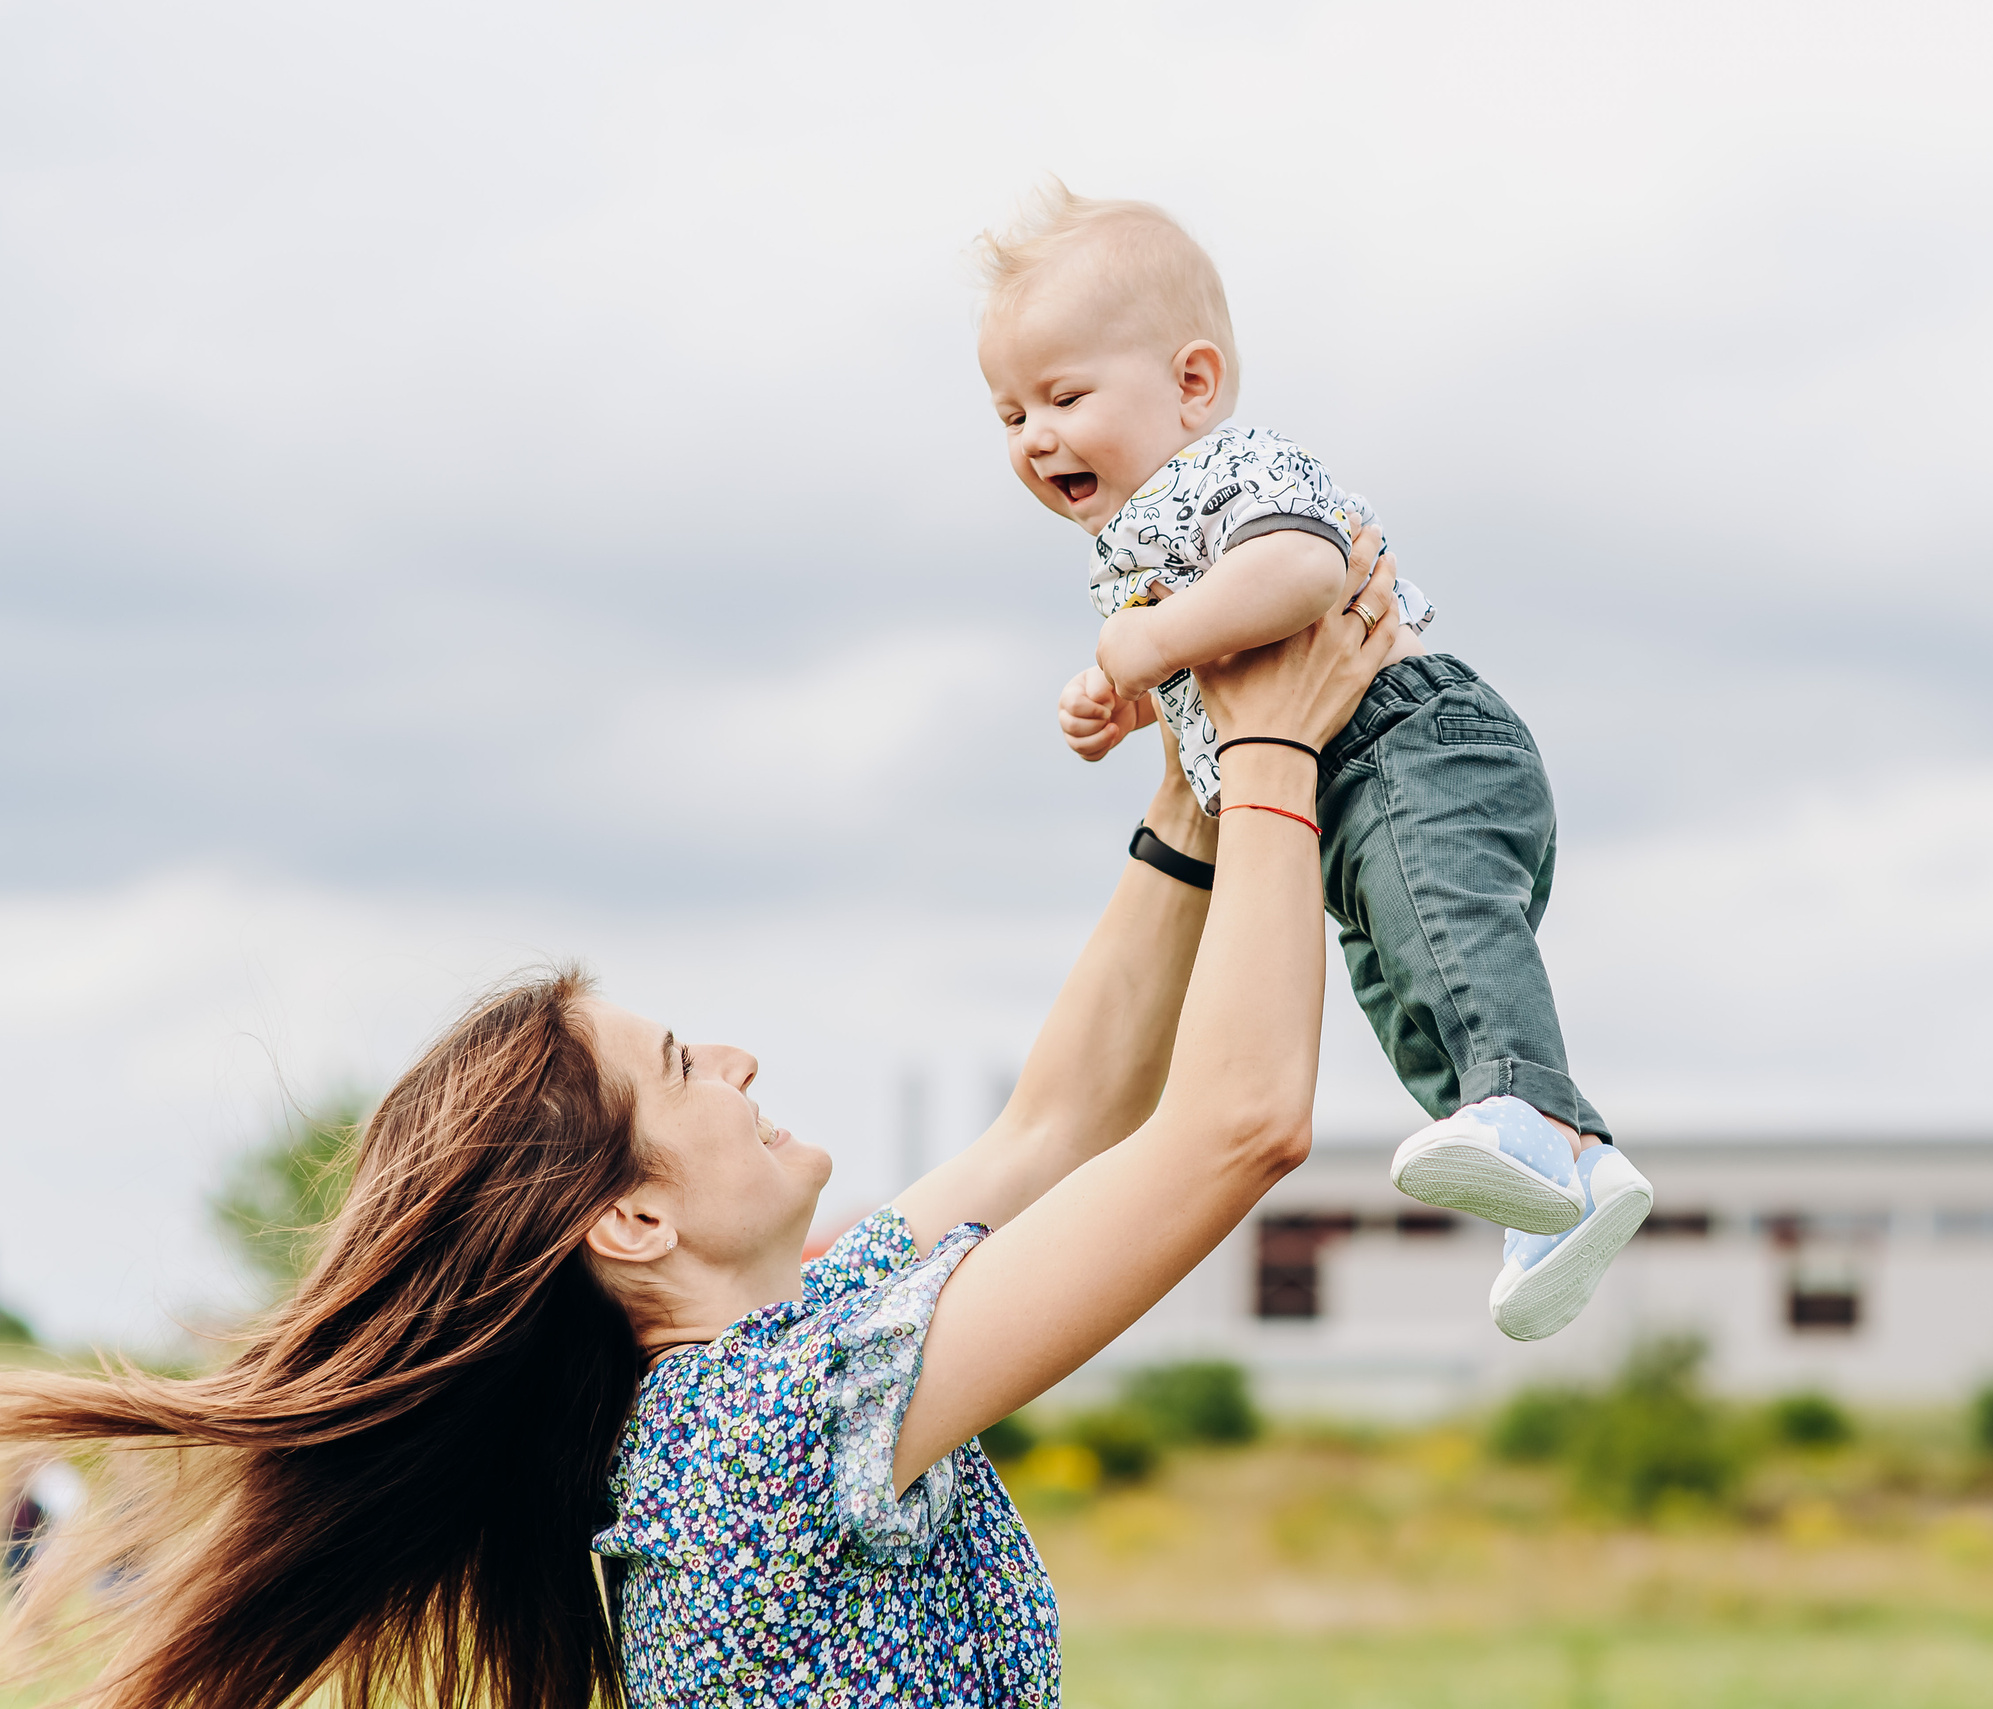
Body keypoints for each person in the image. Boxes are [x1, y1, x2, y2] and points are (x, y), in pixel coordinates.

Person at [0, 555, 1397, 1709]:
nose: (739, 1060)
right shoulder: (776, 1428)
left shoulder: (778, 1355)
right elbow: (1238, 1127)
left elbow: (1060, 1121)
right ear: (633, 1222)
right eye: (683, 1067)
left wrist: (1195, 778)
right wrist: (1281, 750)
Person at [977, 182, 1654, 1340]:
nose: (1035, 436)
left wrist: (1144, 640)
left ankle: (1538, 1120)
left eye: (1064, 396)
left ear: (1192, 385)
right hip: (1341, 795)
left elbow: (1298, 574)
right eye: (1006, 415)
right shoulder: (1148, 536)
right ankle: (1562, 1189)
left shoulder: (1233, 470)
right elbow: (1230, 656)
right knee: (1402, 990)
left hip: (1411, 745)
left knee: (1439, 935)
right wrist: (1134, 700)